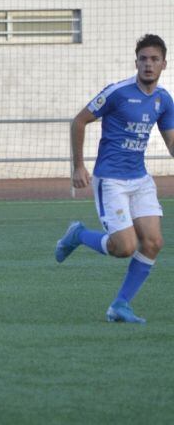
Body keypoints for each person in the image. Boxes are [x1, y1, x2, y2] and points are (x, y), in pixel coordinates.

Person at [55, 34, 174, 325]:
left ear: (164, 64)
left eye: (154, 59)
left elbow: (172, 144)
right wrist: (78, 166)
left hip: (140, 179)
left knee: (153, 242)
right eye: (143, 59)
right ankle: (78, 235)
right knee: (124, 247)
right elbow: (79, 120)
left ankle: (120, 305)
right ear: (136, 62)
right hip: (111, 180)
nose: (148, 64)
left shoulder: (164, 100)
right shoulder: (118, 92)